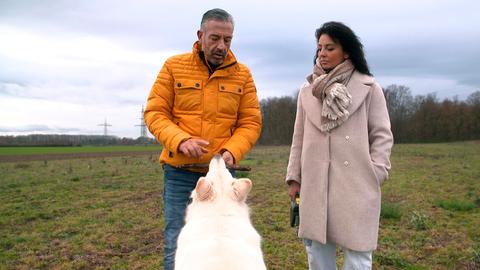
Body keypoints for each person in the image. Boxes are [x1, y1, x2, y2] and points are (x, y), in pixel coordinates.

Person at [144, 8, 262, 270]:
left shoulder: (243, 75)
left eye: (228, 40)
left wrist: (232, 151)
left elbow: (250, 122)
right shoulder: (173, 67)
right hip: (180, 173)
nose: (222, 46)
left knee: (230, 246)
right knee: (178, 246)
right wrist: (181, 140)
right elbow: (154, 112)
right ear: (200, 35)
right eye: (215, 38)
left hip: (223, 184)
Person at [285, 21, 393, 270]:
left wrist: (375, 171)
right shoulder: (307, 91)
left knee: (358, 256)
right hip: (315, 183)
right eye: (319, 48)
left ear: (346, 51)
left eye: (329, 48)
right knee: (318, 256)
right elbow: (298, 138)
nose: (321, 53)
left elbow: (382, 135)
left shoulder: (369, 87)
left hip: (357, 181)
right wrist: (294, 178)